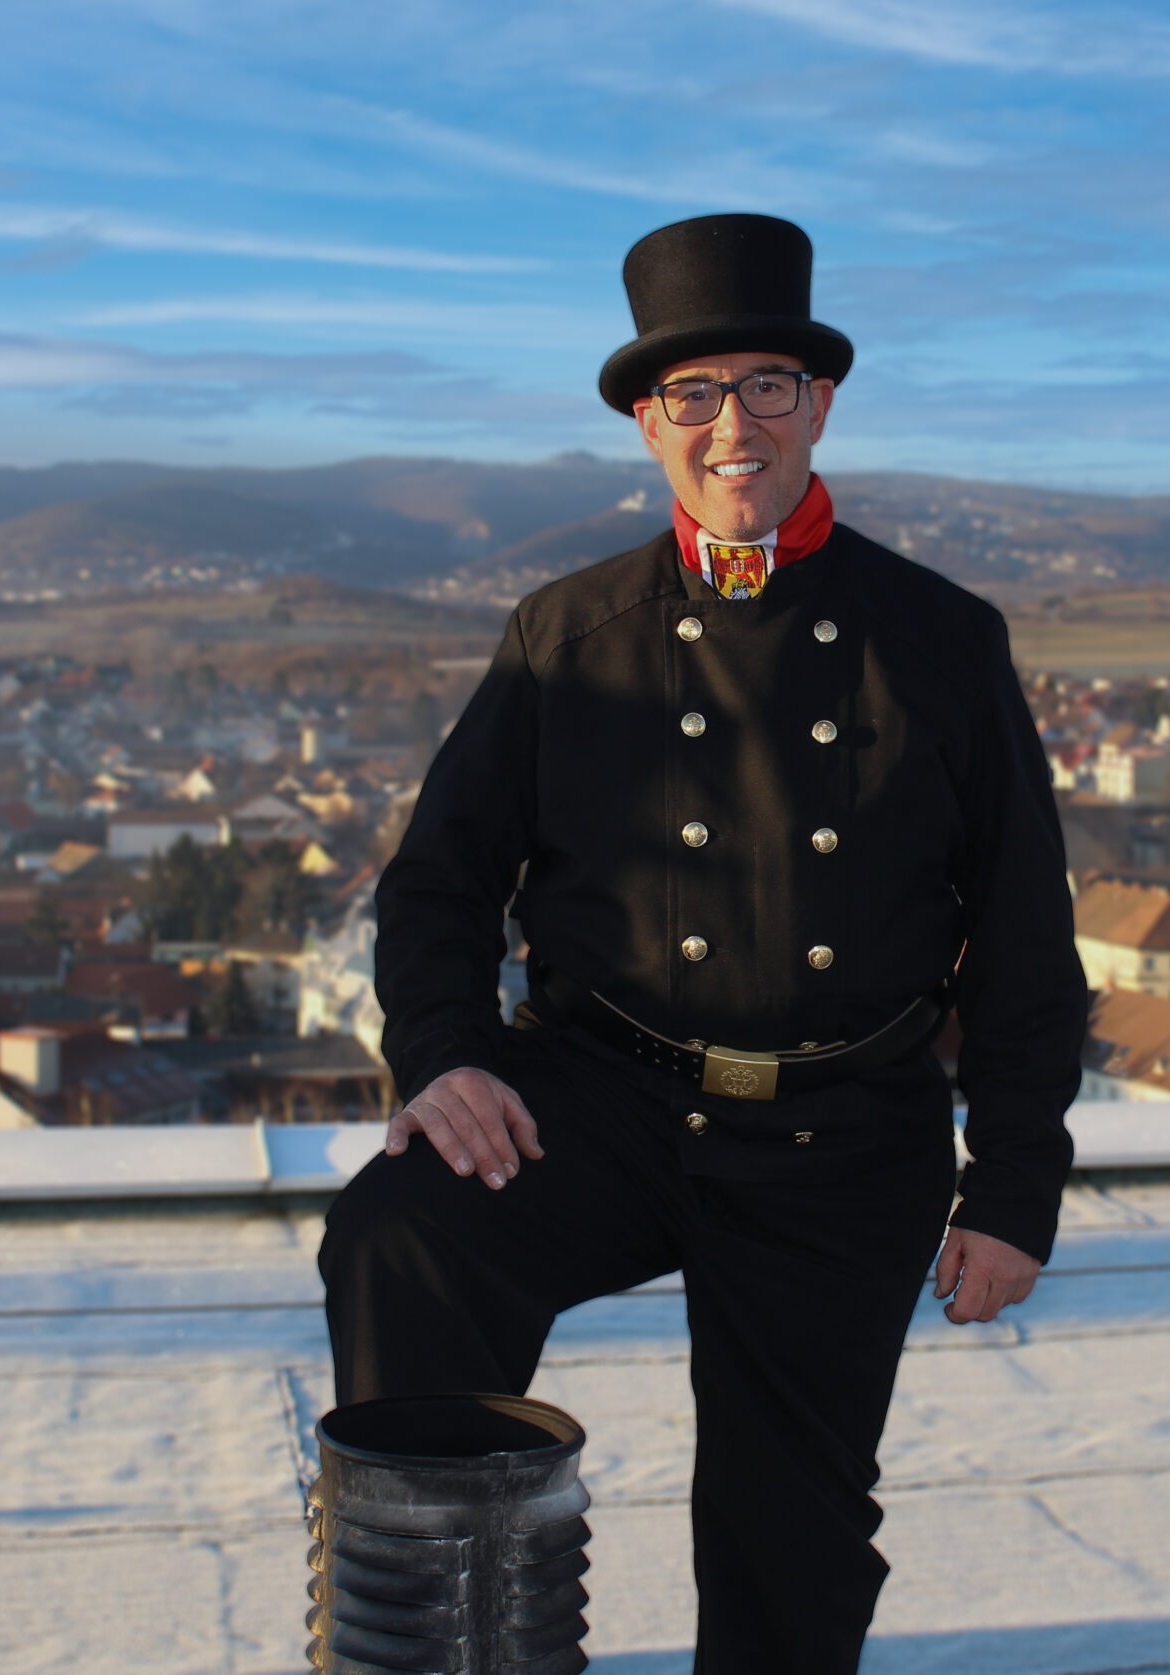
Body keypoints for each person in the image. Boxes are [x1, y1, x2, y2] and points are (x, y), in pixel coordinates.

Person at [319, 213, 1086, 1674]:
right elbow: (436, 886)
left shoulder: (941, 639)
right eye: (695, 393)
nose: (734, 424)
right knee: (403, 1235)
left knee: (785, 1530)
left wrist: (1016, 1187)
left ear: (820, 406)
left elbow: (1026, 932)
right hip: (603, 1092)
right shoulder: (567, 634)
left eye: (769, 385)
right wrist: (445, 1059)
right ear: (644, 420)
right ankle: (447, 1651)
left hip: (845, 1128)